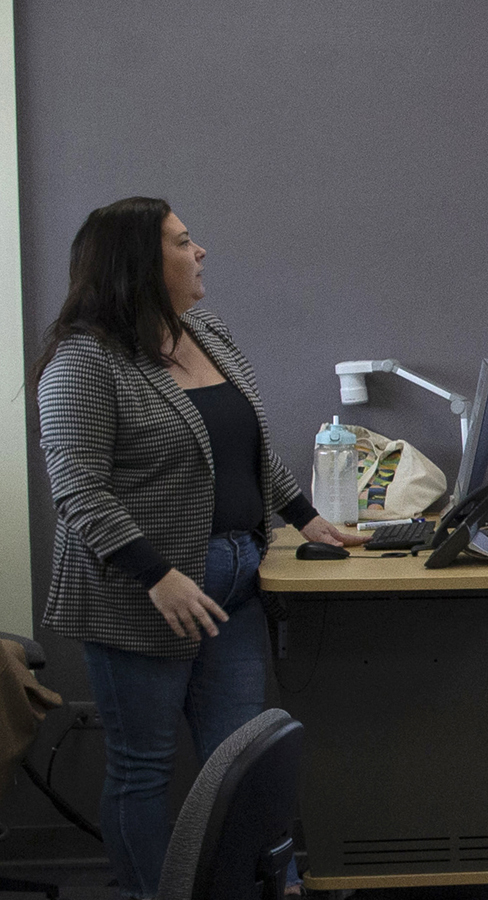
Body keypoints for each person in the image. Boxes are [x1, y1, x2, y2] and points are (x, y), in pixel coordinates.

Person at [33, 197, 364, 899]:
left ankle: (263, 890)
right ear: (139, 265)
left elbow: (246, 450)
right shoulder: (85, 361)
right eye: (184, 242)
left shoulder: (204, 331)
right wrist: (157, 576)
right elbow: (78, 488)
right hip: (143, 593)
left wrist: (307, 519)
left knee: (243, 759)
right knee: (143, 767)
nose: (201, 251)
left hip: (235, 578)